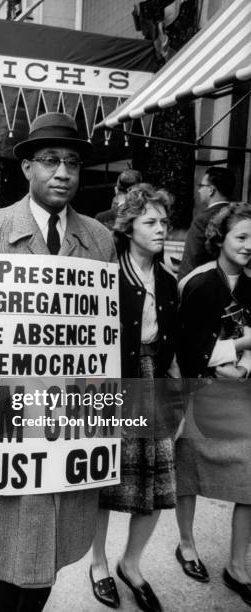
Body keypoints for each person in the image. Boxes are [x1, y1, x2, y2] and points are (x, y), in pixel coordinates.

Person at [0, 112, 117, 612]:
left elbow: (102, 333)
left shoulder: (99, 239)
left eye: (72, 163)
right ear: (26, 168)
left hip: (69, 423)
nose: (63, 172)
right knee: (13, 553)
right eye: (49, 161)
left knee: (48, 556)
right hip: (10, 421)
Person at [90, 185, 181, 612]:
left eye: (164, 221)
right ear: (128, 228)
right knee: (103, 480)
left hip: (153, 381)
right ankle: (99, 565)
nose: (161, 229)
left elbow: (172, 344)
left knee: (160, 483)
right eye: (151, 222)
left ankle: (132, 563)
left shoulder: (168, 280)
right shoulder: (105, 274)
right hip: (111, 384)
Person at [175, 202, 251, 608]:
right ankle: (186, 545)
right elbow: (186, 349)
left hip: (242, 397)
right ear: (220, 238)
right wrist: (238, 348)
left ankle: (238, 565)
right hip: (199, 394)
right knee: (187, 472)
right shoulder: (198, 283)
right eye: (242, 237)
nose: (250, 246)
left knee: (249, 478)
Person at [178, 166, 235, 280]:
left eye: (201, 186)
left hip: (202, 286)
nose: (199, 190)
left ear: (211, 190)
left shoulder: (202, 220)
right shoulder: (237, 216)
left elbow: (191, 261)